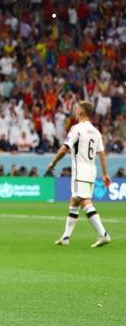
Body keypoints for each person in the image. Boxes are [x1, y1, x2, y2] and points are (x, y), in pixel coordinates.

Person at [47, 101, 112, 248]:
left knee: (84, 201)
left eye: (77, 109)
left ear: (82, 112)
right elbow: (101, 154)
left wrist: (53, 163)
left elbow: (64, 149)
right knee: (74, 200)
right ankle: (66, 237)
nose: (75, 112)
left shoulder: (76, 129)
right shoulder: (96, 132)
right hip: (91, 170)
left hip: (80, 171)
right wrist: (106, 174)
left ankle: (104, 234)